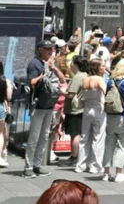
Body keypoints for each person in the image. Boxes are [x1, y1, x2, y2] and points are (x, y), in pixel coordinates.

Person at [24, 39, 66, 178]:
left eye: (52, 49)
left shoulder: (51, 64)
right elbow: (32, 83)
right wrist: (43, 75)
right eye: (47, 48)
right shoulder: (34, 64)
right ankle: (28, 166)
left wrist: (53, 68)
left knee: (44, 136)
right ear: (40, 49)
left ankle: (37, 164)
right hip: (38, 105)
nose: (50, 51)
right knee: (34, 137)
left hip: (49, 105)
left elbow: (62, 80)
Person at [76, 58, 106, 175]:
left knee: (84, 137)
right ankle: (95, 166)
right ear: (97, 67)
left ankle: (81, 165)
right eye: (102, 66)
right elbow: (105, 92)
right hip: (98, 107)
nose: (104, 68)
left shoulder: (85, 79)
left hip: (87, 107)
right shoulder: (99, 79)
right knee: (98, 137)